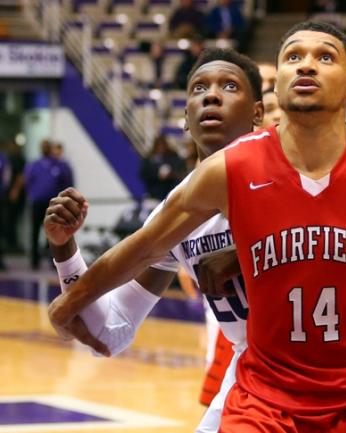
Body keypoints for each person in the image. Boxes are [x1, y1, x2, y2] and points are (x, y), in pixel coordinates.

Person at [48, 22, 346, 433]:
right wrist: (68, 291)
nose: (306, 65)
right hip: (265, 386)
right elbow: (137, 258)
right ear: (277, 86)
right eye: (293, 56)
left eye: (324, 57)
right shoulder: (224, 173)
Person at [43, 48, 264, 433]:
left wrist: (248, 253)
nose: (211, 95)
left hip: (324, 365)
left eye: (229, 86)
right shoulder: (170, 214)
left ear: (258, 114)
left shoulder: (290, 178)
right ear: (184, 117)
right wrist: (65, 249)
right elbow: (111, 331)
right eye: (199, 88)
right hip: (253, 370)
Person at [24, 139, 74, 269]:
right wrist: (33, 195)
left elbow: (68, 183)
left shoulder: (60, 165)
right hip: (38, 202)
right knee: (35, 231)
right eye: (43, 146)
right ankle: (34, 261)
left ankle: (54, 260)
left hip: (53, 204)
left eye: (47, 146)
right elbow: (28, 181)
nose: (45, 148)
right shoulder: (35, 165)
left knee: (54, 232)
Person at [139, 135, 187, 201]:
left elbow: (180, 173)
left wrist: (171, 175)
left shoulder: (173, 158)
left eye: (163, 145)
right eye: (159, 145)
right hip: (154, 194)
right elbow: (143, 174)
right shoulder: (149, 159)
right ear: (155, 146)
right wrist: (157, 175)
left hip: (170, 192)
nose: (161, 148)